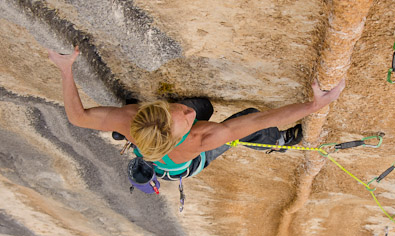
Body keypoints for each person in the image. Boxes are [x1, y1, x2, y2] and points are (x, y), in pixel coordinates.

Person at [48, 46, 346, 180]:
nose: (189, 114)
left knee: (203, 106)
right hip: (187, 164)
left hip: (151, 147)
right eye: (187, 121)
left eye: (179, 111)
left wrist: (65, 69)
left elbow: (77, 117)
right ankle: (279, 143)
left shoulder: (129, 120)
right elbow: (259, 119)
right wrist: (314, 105)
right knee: (249, 121)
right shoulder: (200, 139)